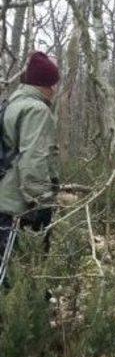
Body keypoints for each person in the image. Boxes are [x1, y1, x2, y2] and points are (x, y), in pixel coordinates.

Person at [0, 52, 60, 284]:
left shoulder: (13, 102)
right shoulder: (36, 110)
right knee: (18, 268)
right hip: (19, 203)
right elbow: (33, 159)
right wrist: (42, 200)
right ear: (48, 85)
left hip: (6, 196)